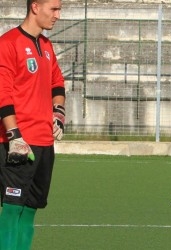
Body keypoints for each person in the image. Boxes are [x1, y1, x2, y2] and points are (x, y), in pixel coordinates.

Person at [0, 0, 65, 249]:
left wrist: (58, 114)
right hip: (18, 142)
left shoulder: (47, 46)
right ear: (35, 7)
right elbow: (3, 94)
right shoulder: (8, 43)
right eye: (54, 9)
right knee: (11, 209)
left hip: (44, 142)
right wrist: (14, 134)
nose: (58, 15)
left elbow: (57, 84)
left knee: (29, 211)